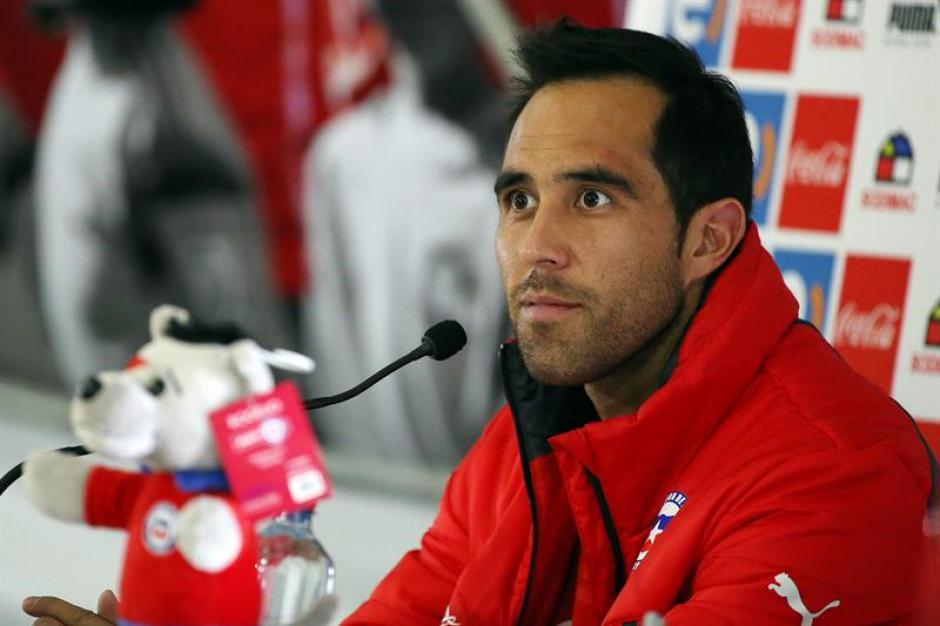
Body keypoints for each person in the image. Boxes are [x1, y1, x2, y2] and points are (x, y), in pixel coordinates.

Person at [23, 19, 936, 626]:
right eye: (518, 200)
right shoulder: (525, 435)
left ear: (710, 239)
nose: (536, 246)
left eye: (592, 199)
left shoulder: (835, 470)